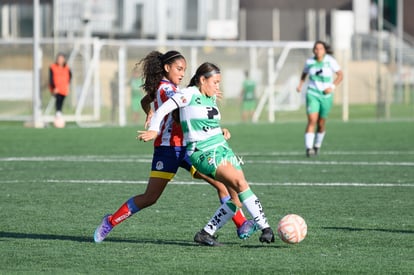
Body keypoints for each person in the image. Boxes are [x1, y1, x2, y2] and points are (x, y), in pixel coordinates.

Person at [94, 51, 256, 243]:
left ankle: (241, 224)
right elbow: (179, 108)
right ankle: (110, 221)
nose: (181, 73)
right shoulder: (166, 89)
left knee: (222, 183)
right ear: (166, 68)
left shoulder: (171, 88)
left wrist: (150, 112)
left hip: (189, 149)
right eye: (179, 69)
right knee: (150, 197)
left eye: (184, 70)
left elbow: (146, 100)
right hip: (167, 150)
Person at [138, 62, 275, 246]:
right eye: (215, 82)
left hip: (222, 148)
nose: (218, 87)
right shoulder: (187, 94)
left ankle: (206, 233)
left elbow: (207, 123)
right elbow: (162, 110)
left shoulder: (210, 96)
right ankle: (266, 228)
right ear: (202, 80)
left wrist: (221, 131)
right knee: (240, 183)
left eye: (219, 82)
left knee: (236, 198)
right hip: (202, 152)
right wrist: (154, 130)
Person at [296, 41, 343, 157]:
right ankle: (308, 148)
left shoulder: (330, 61)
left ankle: (317, 145)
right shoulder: (309, 62)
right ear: (313, 50)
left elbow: (340, 75)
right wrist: (300, 84)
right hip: (312, 93)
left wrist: (331, 87)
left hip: (326, 95)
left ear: (324, 50)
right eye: (316, 49)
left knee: (321, 123)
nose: (318, 51)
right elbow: (304, 73)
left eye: (320, 48)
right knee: (312, 120)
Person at [49, 53, 72, 119]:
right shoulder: (53, 67)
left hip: (64, 88)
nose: (60, 60)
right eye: (59, 59)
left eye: (61, 59)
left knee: (62, 100)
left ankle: (59, 113)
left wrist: (67, 85)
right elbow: (51, 78)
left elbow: (70, 76)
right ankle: (58, 114)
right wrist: (53, 87)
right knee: (58, 100)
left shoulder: (67, 67)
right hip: (57, 88)